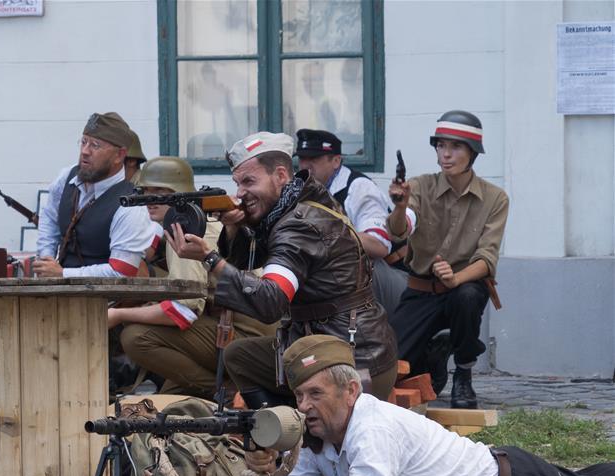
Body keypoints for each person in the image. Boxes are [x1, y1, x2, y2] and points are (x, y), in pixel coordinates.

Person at [248, 335, 615, 476]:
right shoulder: (320, 435)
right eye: (299, 396)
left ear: (351, 391)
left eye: (315, 394)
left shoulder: (372, 429)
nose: (304, 406)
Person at [168, 132, 397, 406]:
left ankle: (291, 426)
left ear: (280, 176)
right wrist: (235, 225)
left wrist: (209, 259)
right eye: (238, 183)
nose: (239, 193)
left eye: (249, 181)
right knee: (239, 355)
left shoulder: (296, 225)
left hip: (351, 362)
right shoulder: (300, 202)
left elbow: (270, 302)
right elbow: (250, 260)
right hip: (336, 344)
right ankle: (282, 423)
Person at [111, 156, 274, 398]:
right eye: (145, 191)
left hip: (245, 332)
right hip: (249, 327)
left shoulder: (187, 228)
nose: (149, 200)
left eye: (160, 192)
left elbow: (183, 310)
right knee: (170, 402)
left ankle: (229, 394)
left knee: (136, 336)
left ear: (179, 194)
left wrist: (117, 315)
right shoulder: (199, 220)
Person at [387, 110, 509, 408]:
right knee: (391, 367)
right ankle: (433, 359)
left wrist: (455, 278)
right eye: (441, 146)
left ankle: (464, 373)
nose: (446, 154)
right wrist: (400, 207)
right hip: (421, 289)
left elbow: (487, 258)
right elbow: (400, 231)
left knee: (467, 297)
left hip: (463, 288)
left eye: (455, 147)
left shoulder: (495, 198)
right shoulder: (419, 186)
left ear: (472, 153)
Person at [295, 129, 408, 316]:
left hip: (395, 278)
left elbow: (378, 246)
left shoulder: (358, 187)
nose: (305, 165)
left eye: (313, 159)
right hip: (345, 285)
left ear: (336, 161)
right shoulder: (302, 189)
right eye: (302, 159)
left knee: (357, 264)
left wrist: (326, 231)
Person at [34, 112, 155, 278]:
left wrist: (63, 274)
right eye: (84, 142)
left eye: (95, 145)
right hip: (60, 289)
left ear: (119, 155)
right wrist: (46, 257)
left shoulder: (130, 205)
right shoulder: (66, 177)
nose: (85, 151)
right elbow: (50, 217)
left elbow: (122, 272)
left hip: (106, 294)